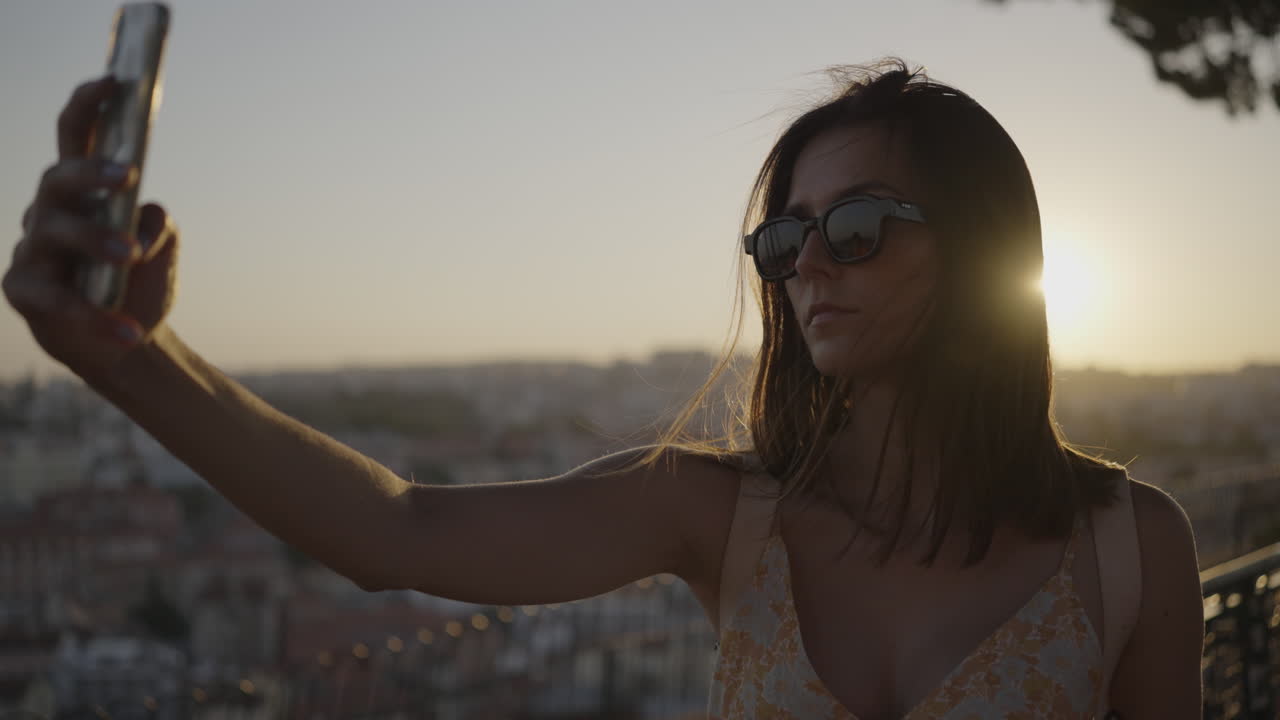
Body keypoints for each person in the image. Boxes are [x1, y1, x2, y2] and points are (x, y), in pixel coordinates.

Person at [5, 58, 1203, 718]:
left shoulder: (1129, 545)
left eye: (854, 226)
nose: (808, 269)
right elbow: (392, 531)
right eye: (782, 243)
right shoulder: (720, 515)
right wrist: (123, 357)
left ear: (987, 252)